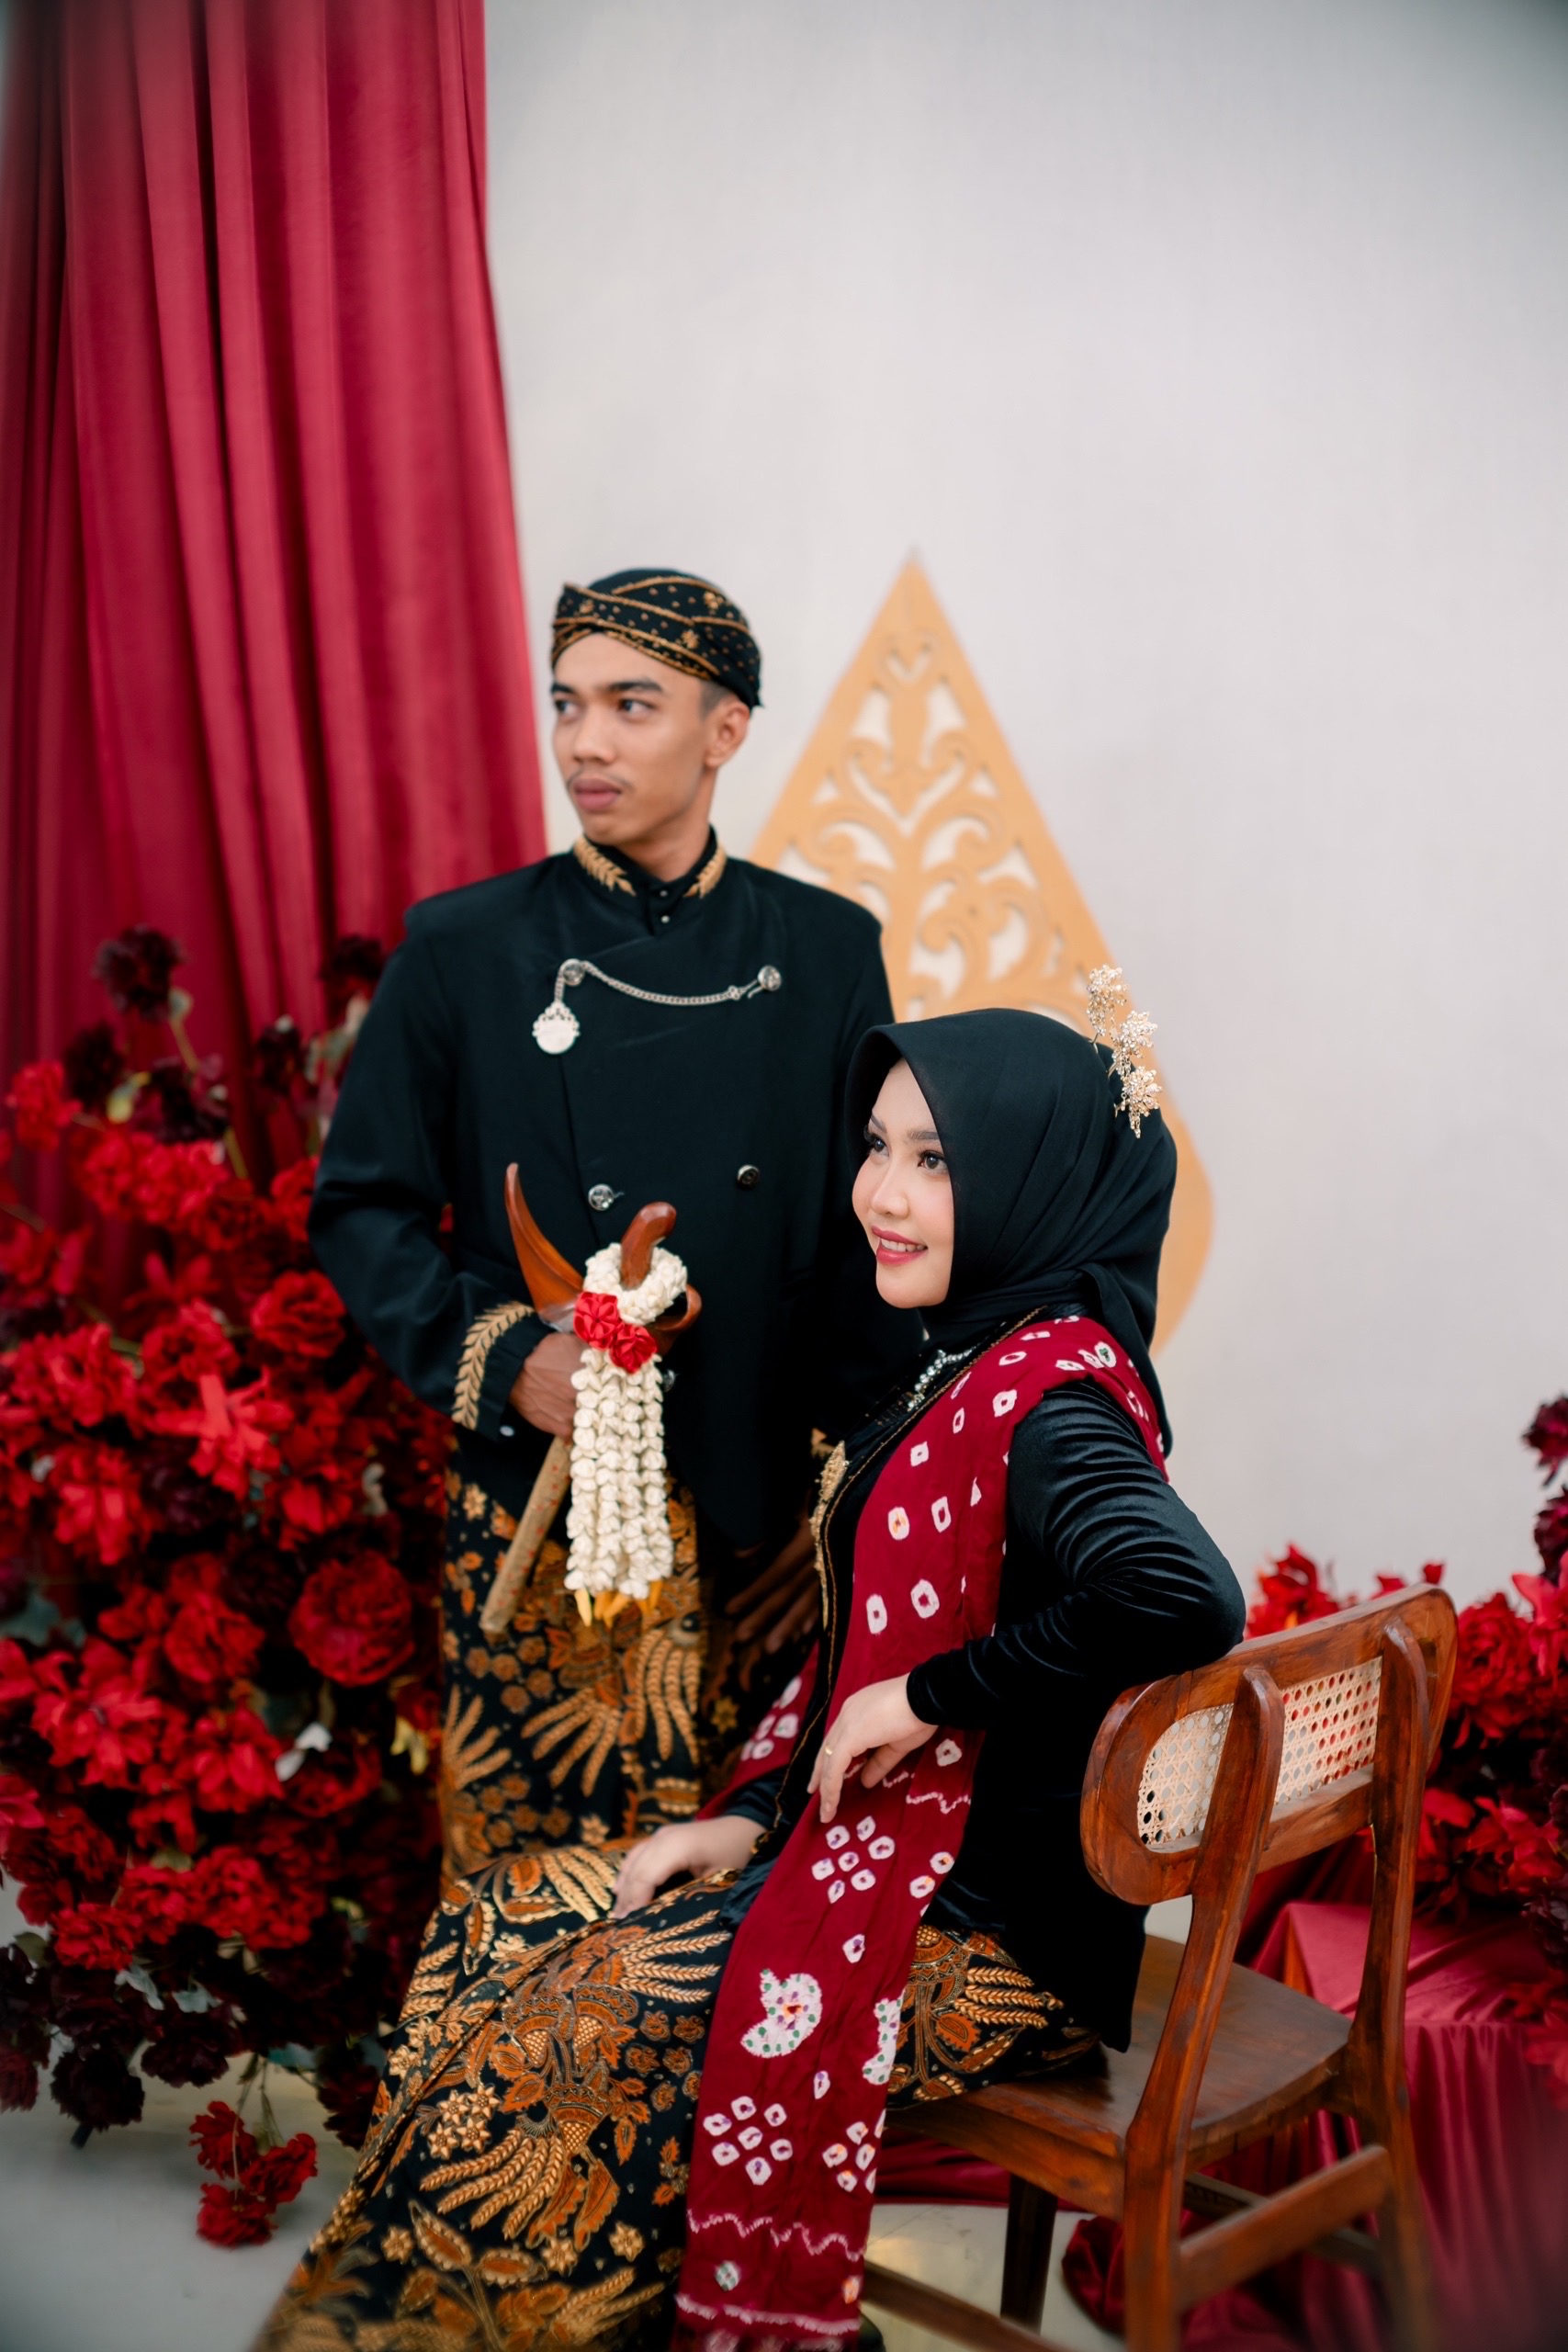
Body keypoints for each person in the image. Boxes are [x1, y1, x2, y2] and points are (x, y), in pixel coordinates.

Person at [261, 1006, 1245, 2352]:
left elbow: (1182, 1593)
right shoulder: (972, 1356)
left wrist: (926, 1698)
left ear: (1033, 1179)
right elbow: (861, 1656)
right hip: (872, 1858)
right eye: (877, 1146)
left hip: (988, 1946)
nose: (882, 1193)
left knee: (569, 2028)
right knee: (495, 1920)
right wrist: (747, 1819)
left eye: (937, 1160)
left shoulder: (1052, 1402)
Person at [310, 570, 917, 1875]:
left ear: (725, 728)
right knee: (538, 1893)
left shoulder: (827, 949)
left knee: (752, 1896)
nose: (584, 742)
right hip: (545, 1513)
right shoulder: (463, 949)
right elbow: (362, 1207)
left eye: (631, 705)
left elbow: (869, 1237)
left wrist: (849, 1498)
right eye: (566, 704)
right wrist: (506, 1361)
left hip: (761, 1522)